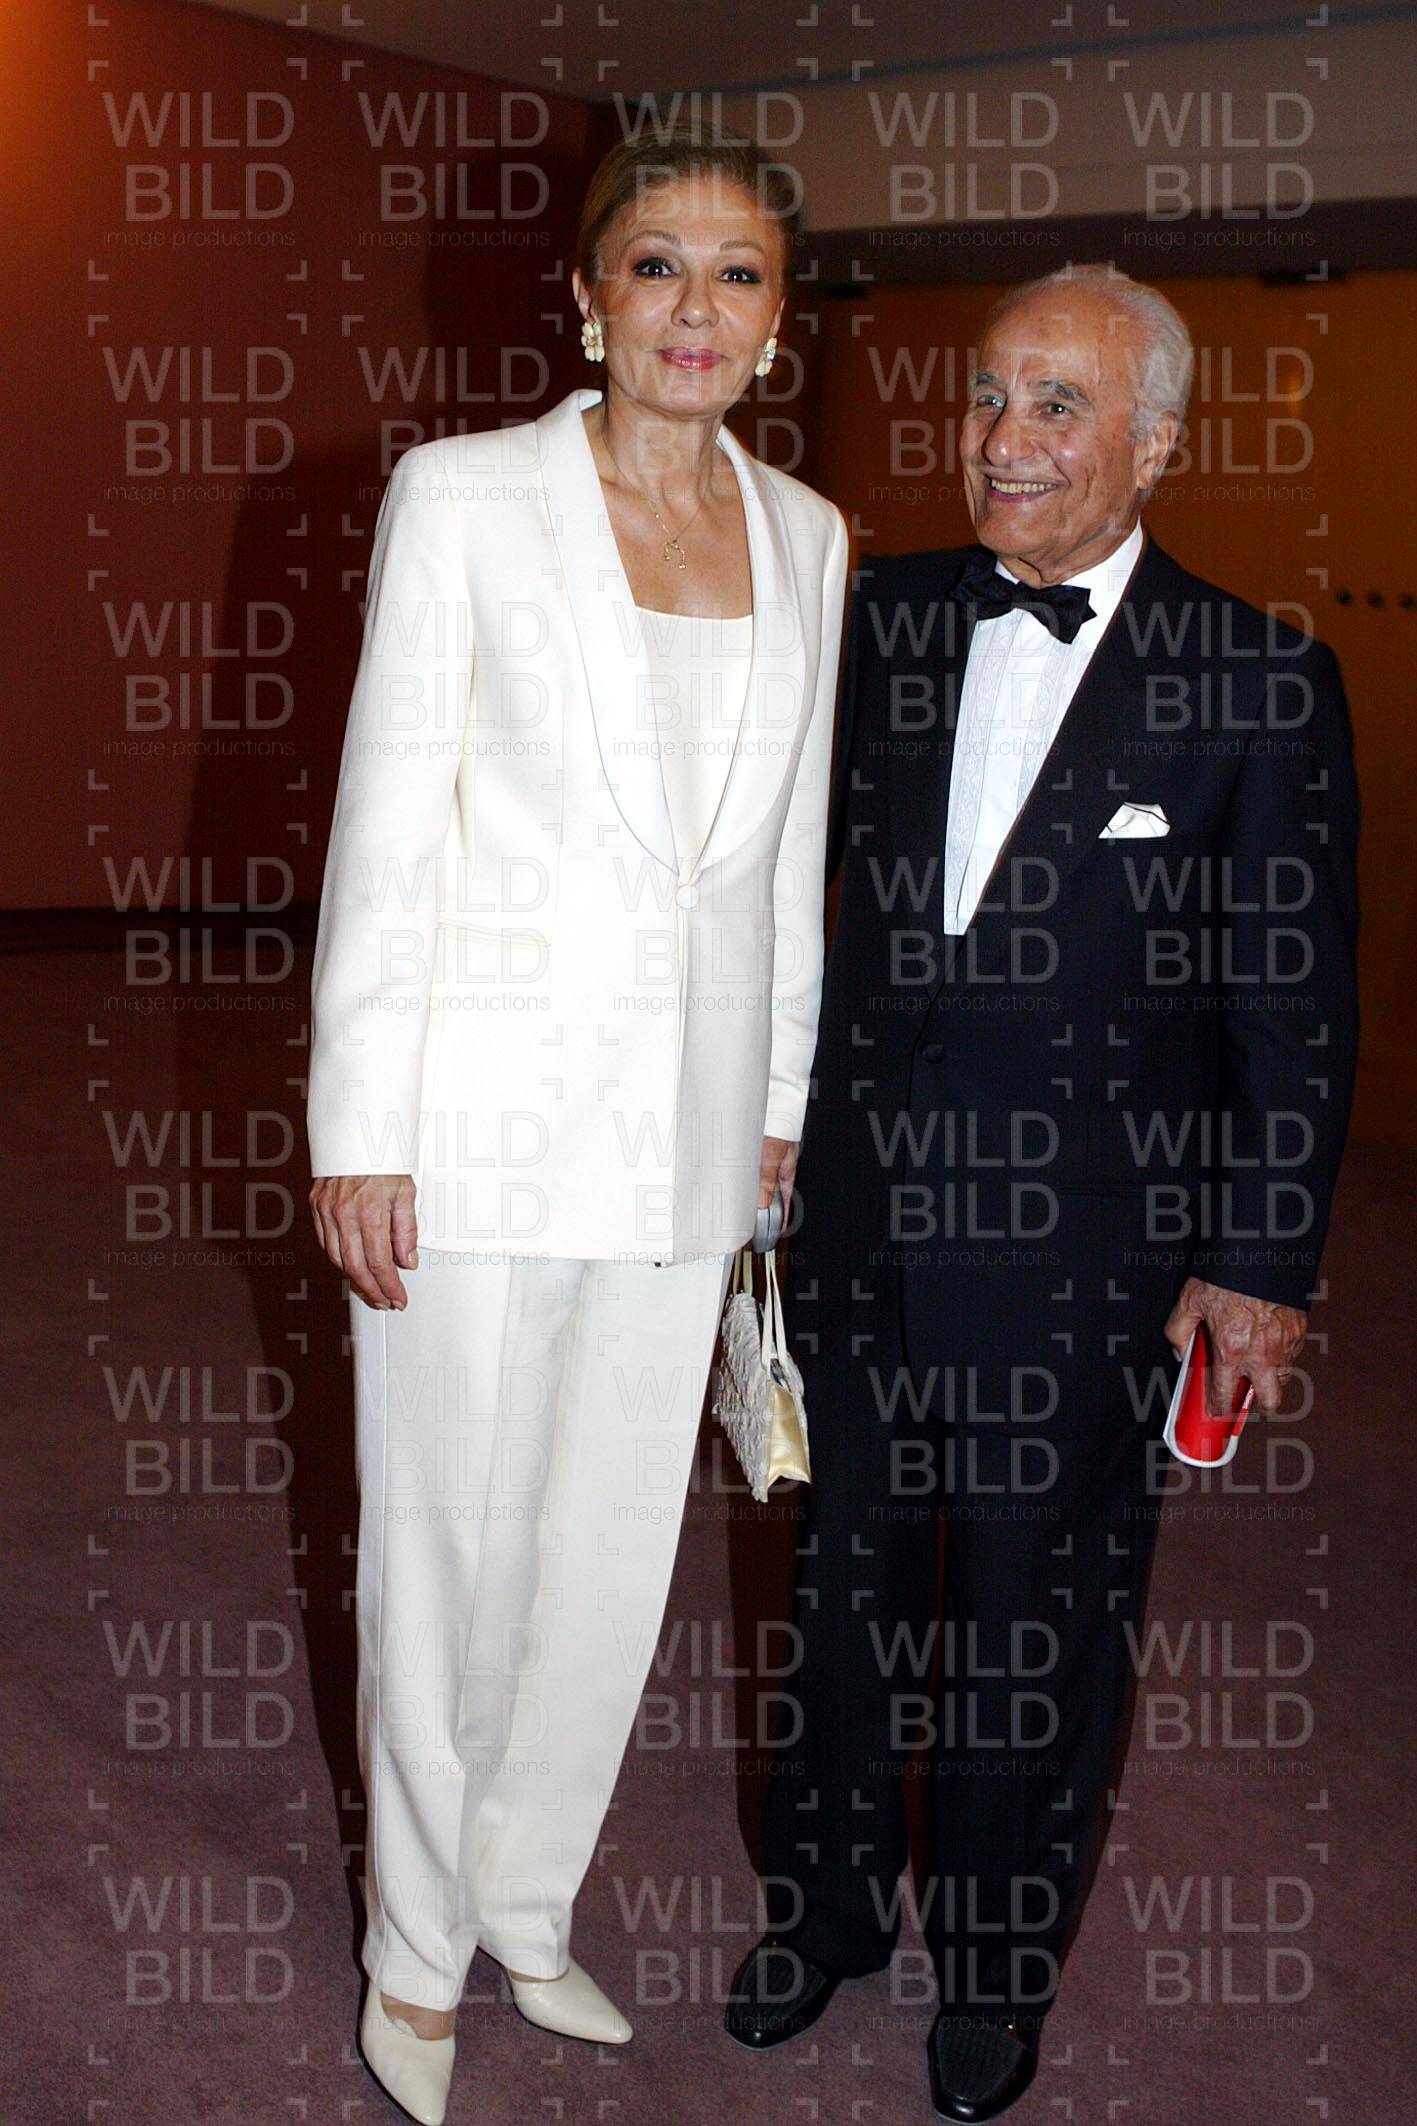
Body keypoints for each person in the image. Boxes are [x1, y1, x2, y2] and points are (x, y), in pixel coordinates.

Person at [724, 263, 1360, 2121]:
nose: (1003, 439)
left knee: (1033, 1620)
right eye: (990, 396)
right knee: (843, 1587)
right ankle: (823, 1910)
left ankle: (998, 1973)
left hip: (1088, 1255)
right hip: (860, 1211)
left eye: (1056, 405)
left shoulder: (1257, 678)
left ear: (1153, 443)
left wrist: (1258, 1262)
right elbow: (760, 881)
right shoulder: (884, 616)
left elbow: (1289, 1002)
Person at [306, 127, 849, 2125]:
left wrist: (775, 1103)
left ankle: (525, 1903)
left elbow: (780, 863)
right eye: (658, 266)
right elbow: (387, 828)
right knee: (450, 1552)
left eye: (738, 274)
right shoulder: (463, 500)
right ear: (588, 298)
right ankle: (413, 1947)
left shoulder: (809, 538)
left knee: (616, 1552)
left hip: (688, 1143)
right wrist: (358, 1124)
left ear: (776, 320)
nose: (697, 308)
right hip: (472, 1123)